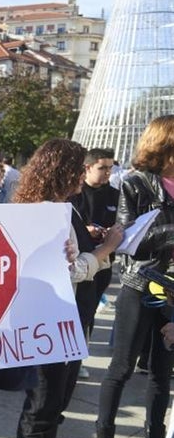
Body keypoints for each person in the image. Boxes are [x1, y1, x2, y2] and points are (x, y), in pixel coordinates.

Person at [11, 139, 124, 438]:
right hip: (46, 321)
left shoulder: (61, 207)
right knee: (41, 408)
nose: (85, 174)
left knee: (53, 405)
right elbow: (63, 270)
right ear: (62, 172)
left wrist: (87, 243)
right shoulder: (44, 211)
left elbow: (67, 257)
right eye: (79, 168)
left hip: (63, 319)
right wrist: (103, 251)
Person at [92, 115, 174, 438]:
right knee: (122, 366)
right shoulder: (136, 182)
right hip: (141, 285)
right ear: (165, 143)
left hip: (171, 290)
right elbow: (129, 240)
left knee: (162, 374)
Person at [69, 148, 119, 379]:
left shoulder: (115, 194)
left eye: (110, 168)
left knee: (90, 311)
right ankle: (70, 356)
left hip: (103, 263)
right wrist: (86, 231)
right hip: (79, 261)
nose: (108, 172)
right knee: (75, 310)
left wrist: (114, 234)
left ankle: (79, 356)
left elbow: (123, 224)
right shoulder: (74, 193)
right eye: (102, 168)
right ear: (87, 168)